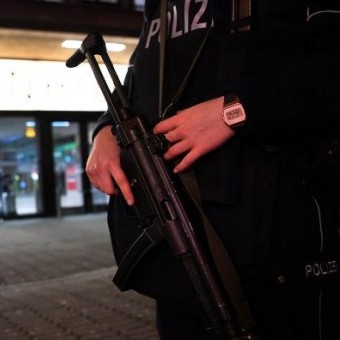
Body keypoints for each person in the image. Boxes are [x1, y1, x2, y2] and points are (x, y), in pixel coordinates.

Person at [85, 2, 340, 339]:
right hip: (181, 247)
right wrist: (107, 130)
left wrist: (234, 110)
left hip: (276, 247)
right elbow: (140, 78)